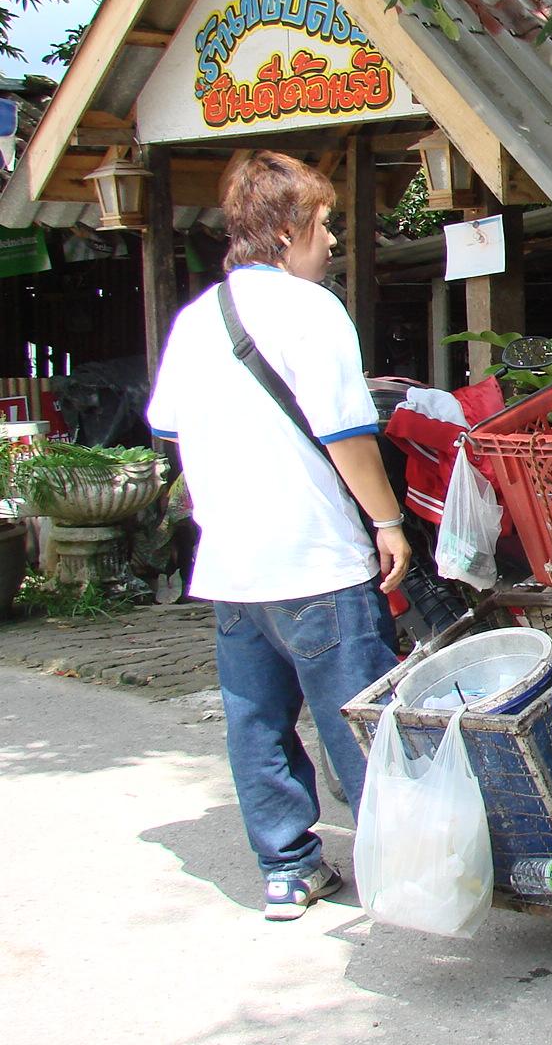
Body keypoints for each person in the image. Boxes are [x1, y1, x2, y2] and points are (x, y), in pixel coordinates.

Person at [147, 150, 411, 920]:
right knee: (356, 721)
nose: (331, 242)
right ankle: (399, 866)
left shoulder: (196, 320)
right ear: (289, 229)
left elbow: (171, 428)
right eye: (325, 225)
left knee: (258, 723)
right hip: (317, 562)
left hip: (233, 570)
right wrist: (388, 522)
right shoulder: (311, 310)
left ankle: (288, 871)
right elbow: (347, 435)